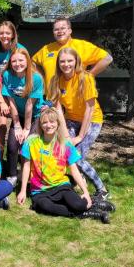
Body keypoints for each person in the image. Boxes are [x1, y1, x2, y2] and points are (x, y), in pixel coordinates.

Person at [17, 107, 114, 223]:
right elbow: (26, 167)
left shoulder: (66, 144)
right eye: (45, 122)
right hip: (40, 190)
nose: (48, 125)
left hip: (61, 185)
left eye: (52, 121)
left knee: (77, 204)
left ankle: (92, 202)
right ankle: (91, 212)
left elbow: (74, 170)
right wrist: (22, 191)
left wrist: (86, 192)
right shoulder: (31, 142)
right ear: (40, 125)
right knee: (45, 207)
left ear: (58, 123)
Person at [47, 47, 110, 201]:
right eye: (62, 61)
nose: (66, 64)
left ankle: (102, 189)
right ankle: (72, 183)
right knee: (64, 150)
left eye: (70, 60)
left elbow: (90, 107)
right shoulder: (56, 79)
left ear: (76, 61)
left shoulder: (85, 78)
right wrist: (66, 133)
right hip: (70, 120)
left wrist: (81, 136)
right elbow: (57, 108)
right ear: (58, 63)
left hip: (92, 120)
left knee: (78, 157)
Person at [2, 48, 47, 185]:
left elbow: (29, 105)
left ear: (27, 61)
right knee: (12, 145)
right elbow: (11, 102)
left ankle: (30, 174)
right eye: (14, 60)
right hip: (18, 114)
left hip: (35, 115)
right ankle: (12, 175)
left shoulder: (36, 78)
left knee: (28, 144)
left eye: (21, 60)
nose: (17, 64)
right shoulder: (7, 75)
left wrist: (26, 129)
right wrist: (16, 125)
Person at [32, 17, 112, 91]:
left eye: (63, 28)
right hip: (52, 99)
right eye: (56, 29)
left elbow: (107, 58)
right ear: (53, 32)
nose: (59, 31)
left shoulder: (81, 45)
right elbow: (32, 62)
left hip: (75, 98)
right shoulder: (46, 49)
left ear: (70, 30)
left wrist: (89, 75)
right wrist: (41, 79)